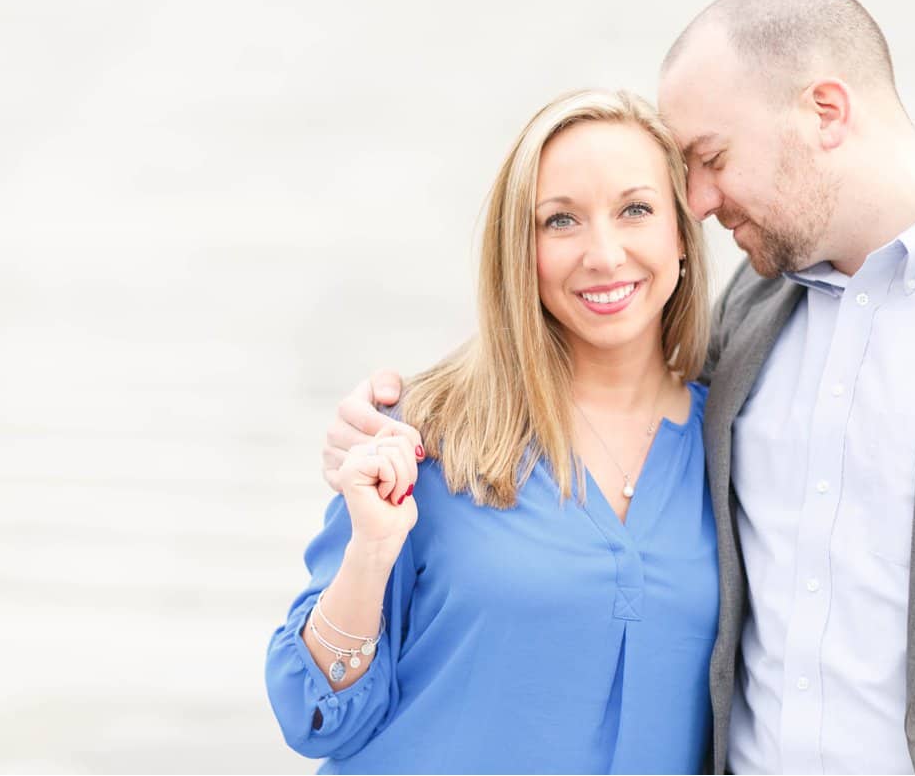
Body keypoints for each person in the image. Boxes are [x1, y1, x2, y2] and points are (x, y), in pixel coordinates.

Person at [320, 0, 915, 773]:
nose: (699, 202)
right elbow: (594, 387)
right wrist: (407, 413)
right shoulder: (749, 316)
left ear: (825, 111)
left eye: (711, 158)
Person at [266, 89, 720, 773]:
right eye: (561, 220)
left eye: (635, 209)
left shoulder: (739, 440)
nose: (604, 253)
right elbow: (314, 716)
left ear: (682, 233)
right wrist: (369, 552)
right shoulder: (428, 433)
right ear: (519, 250)